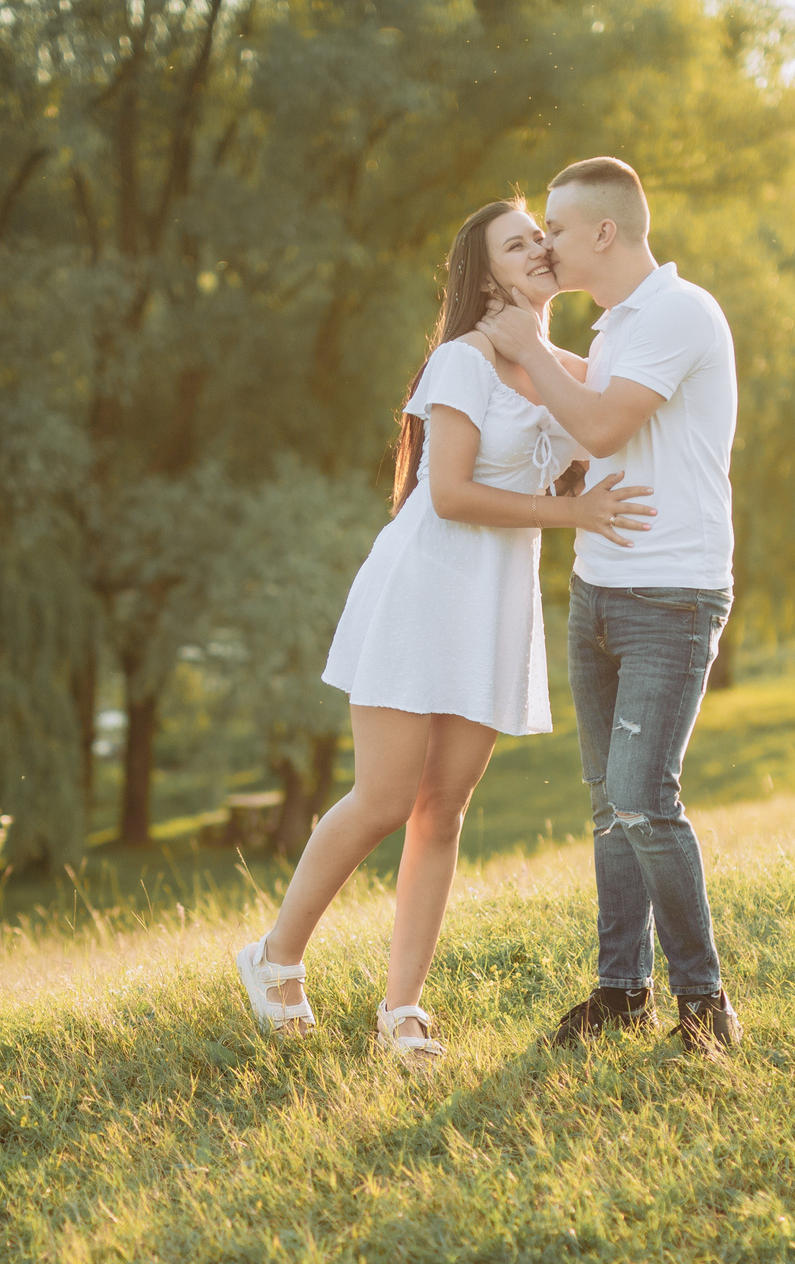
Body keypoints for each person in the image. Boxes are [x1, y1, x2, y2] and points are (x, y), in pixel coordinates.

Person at [233, 196, 655, 1066]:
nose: (539, 246)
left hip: (493, 605)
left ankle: (403, 1010)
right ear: (487, 273)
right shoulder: (460, 363)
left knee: (444, 810)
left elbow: (622, 408)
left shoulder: (551, 362)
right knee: (386, 798)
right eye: (517, 241)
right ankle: (274, 958)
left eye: (543, 235)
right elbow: (452, 493)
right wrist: (571, 510)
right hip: (423, 589)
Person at [480, 157, 743, 1054]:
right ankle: (620, 990)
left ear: (603, 232)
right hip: (599, 588)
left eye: (553, 227)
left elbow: (597, 427)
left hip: (672, 595)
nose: (544, 241)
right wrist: (516, 340)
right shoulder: (628, 324)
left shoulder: (678, 310)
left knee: (642, 796)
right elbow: (593, 382)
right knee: (607, 804)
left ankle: (705, 1003)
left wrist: (523, 348)